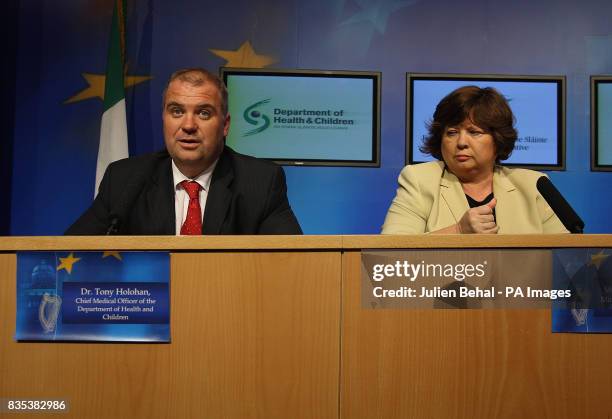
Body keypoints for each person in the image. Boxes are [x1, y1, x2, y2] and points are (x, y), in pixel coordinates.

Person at [66, 68, 302, 235]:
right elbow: (71, 256)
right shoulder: (124, 180)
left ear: (225, 125)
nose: (188, 126)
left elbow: (293, 262)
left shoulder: (260, 182)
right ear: (164, 119)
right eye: (177, 111)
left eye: (203, 113)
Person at [382, 85, 567, 234]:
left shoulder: (533, 186)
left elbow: (565, 255)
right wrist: (458, 231)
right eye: (452, 132)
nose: (461, 142)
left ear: (497, 139)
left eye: (474, 132)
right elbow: (391, 255)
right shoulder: (419, 180)